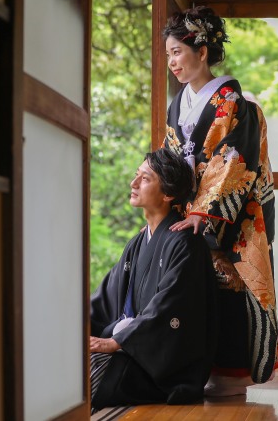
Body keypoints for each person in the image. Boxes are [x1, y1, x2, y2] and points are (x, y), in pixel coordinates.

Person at [160, 6, 278, 396]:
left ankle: (231, 374)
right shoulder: (178, 105)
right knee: (190, 287)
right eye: (168, 54)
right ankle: (191, 366)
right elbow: (171, 156)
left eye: (177, 52)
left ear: (202, 51)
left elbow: (236, 161)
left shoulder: (236, 104)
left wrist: (204, 210)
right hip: (189, 210)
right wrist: (164, 194)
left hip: (230, 218)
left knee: (229, 287)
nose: (172, 62)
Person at [89, 148, 218, 410]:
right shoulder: (137, 244)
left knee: (85, 382)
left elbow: (170, 307)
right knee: (65, 363)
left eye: (145, 179)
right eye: (136, 175)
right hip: (130, 351)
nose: (133, 183)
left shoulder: (186, 244)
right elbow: (105, 299)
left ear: (168, 194)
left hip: (162, 368)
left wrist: (117, 341)